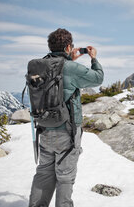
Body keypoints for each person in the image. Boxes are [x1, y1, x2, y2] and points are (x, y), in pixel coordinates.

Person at [29, 28, 104, 207]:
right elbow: (97, 78)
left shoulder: (39, 65)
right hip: (67, 131)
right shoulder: (71, 67)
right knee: (65, 177)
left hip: (44, 128)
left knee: (44, 173)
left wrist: (70, 58)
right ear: (68, 46)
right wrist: (94, 58)